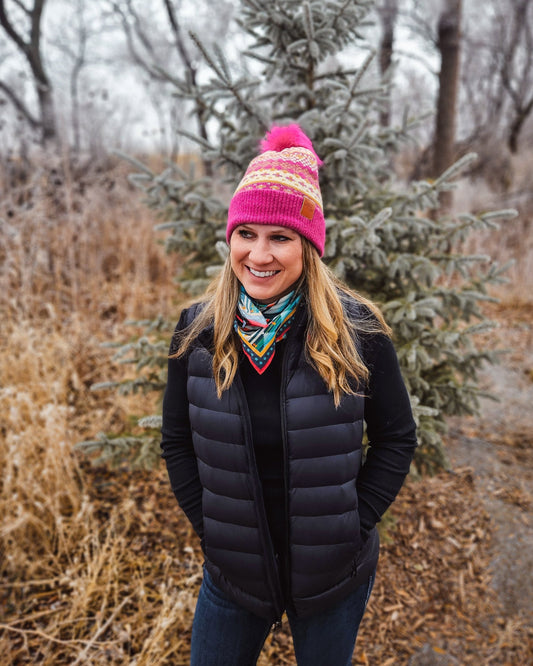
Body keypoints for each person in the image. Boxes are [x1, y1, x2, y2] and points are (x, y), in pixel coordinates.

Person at [160, 124, 417, 665]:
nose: (259, 254)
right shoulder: (197, 331)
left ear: (309, 247)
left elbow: (397, 437)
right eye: (245, 233)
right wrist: (211, 529)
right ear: (229, 238)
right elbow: (177, 441)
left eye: (280, 237)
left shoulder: (358, 331)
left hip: (332, 576)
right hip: (234, 574)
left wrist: (354, 523)